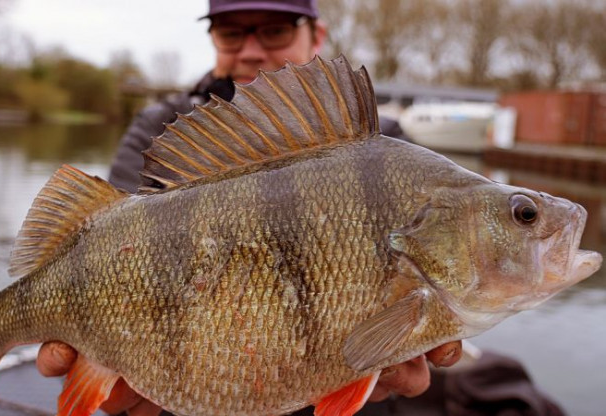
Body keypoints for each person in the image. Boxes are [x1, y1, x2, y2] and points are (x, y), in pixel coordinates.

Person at [37, 1, 462, 415]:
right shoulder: (157, 128)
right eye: (232, 32)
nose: (252, 50)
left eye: (275, 31)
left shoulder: (382, 143)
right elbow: (104, 251)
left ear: (316, 35)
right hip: (187, 394)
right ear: (212, 37)